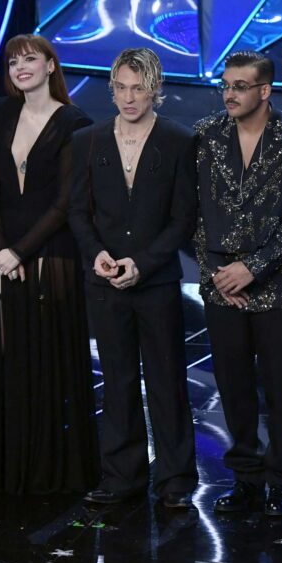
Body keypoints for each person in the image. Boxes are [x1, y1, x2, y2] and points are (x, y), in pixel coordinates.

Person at [0, 34, 99, 494]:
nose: (20, 67)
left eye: (30, 59)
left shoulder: (75, 121)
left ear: (50, 66)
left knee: (46, 361)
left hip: (51, 253)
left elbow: (65, 201)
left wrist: (20, 251)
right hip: (2, 252)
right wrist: (0, 248)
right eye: (13, 62)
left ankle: (46, 474)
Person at [69, 47, 198, 509]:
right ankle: (122, 476)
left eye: (138, 88)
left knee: (166, 379)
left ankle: (176, 480)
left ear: (154, 90)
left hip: (156, 281)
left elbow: (183, 218)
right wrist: (98, 255)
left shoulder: (179, 140)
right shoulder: (87, 140)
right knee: (118, 379)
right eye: (121, 87)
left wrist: (143, 263)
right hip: (104, 281)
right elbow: (78, 211)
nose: (128, 97)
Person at [193, 51, 282, 516]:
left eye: (240, 86)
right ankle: (245, 477)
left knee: (280, 385)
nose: (230, 94)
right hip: (221, 284)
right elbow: (191, 211)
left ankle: (281, 478)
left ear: (264, 90)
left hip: (278, 284)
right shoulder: (205, 136)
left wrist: (253, 268)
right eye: (226, 85)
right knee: (233, 384)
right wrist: (217, 274)